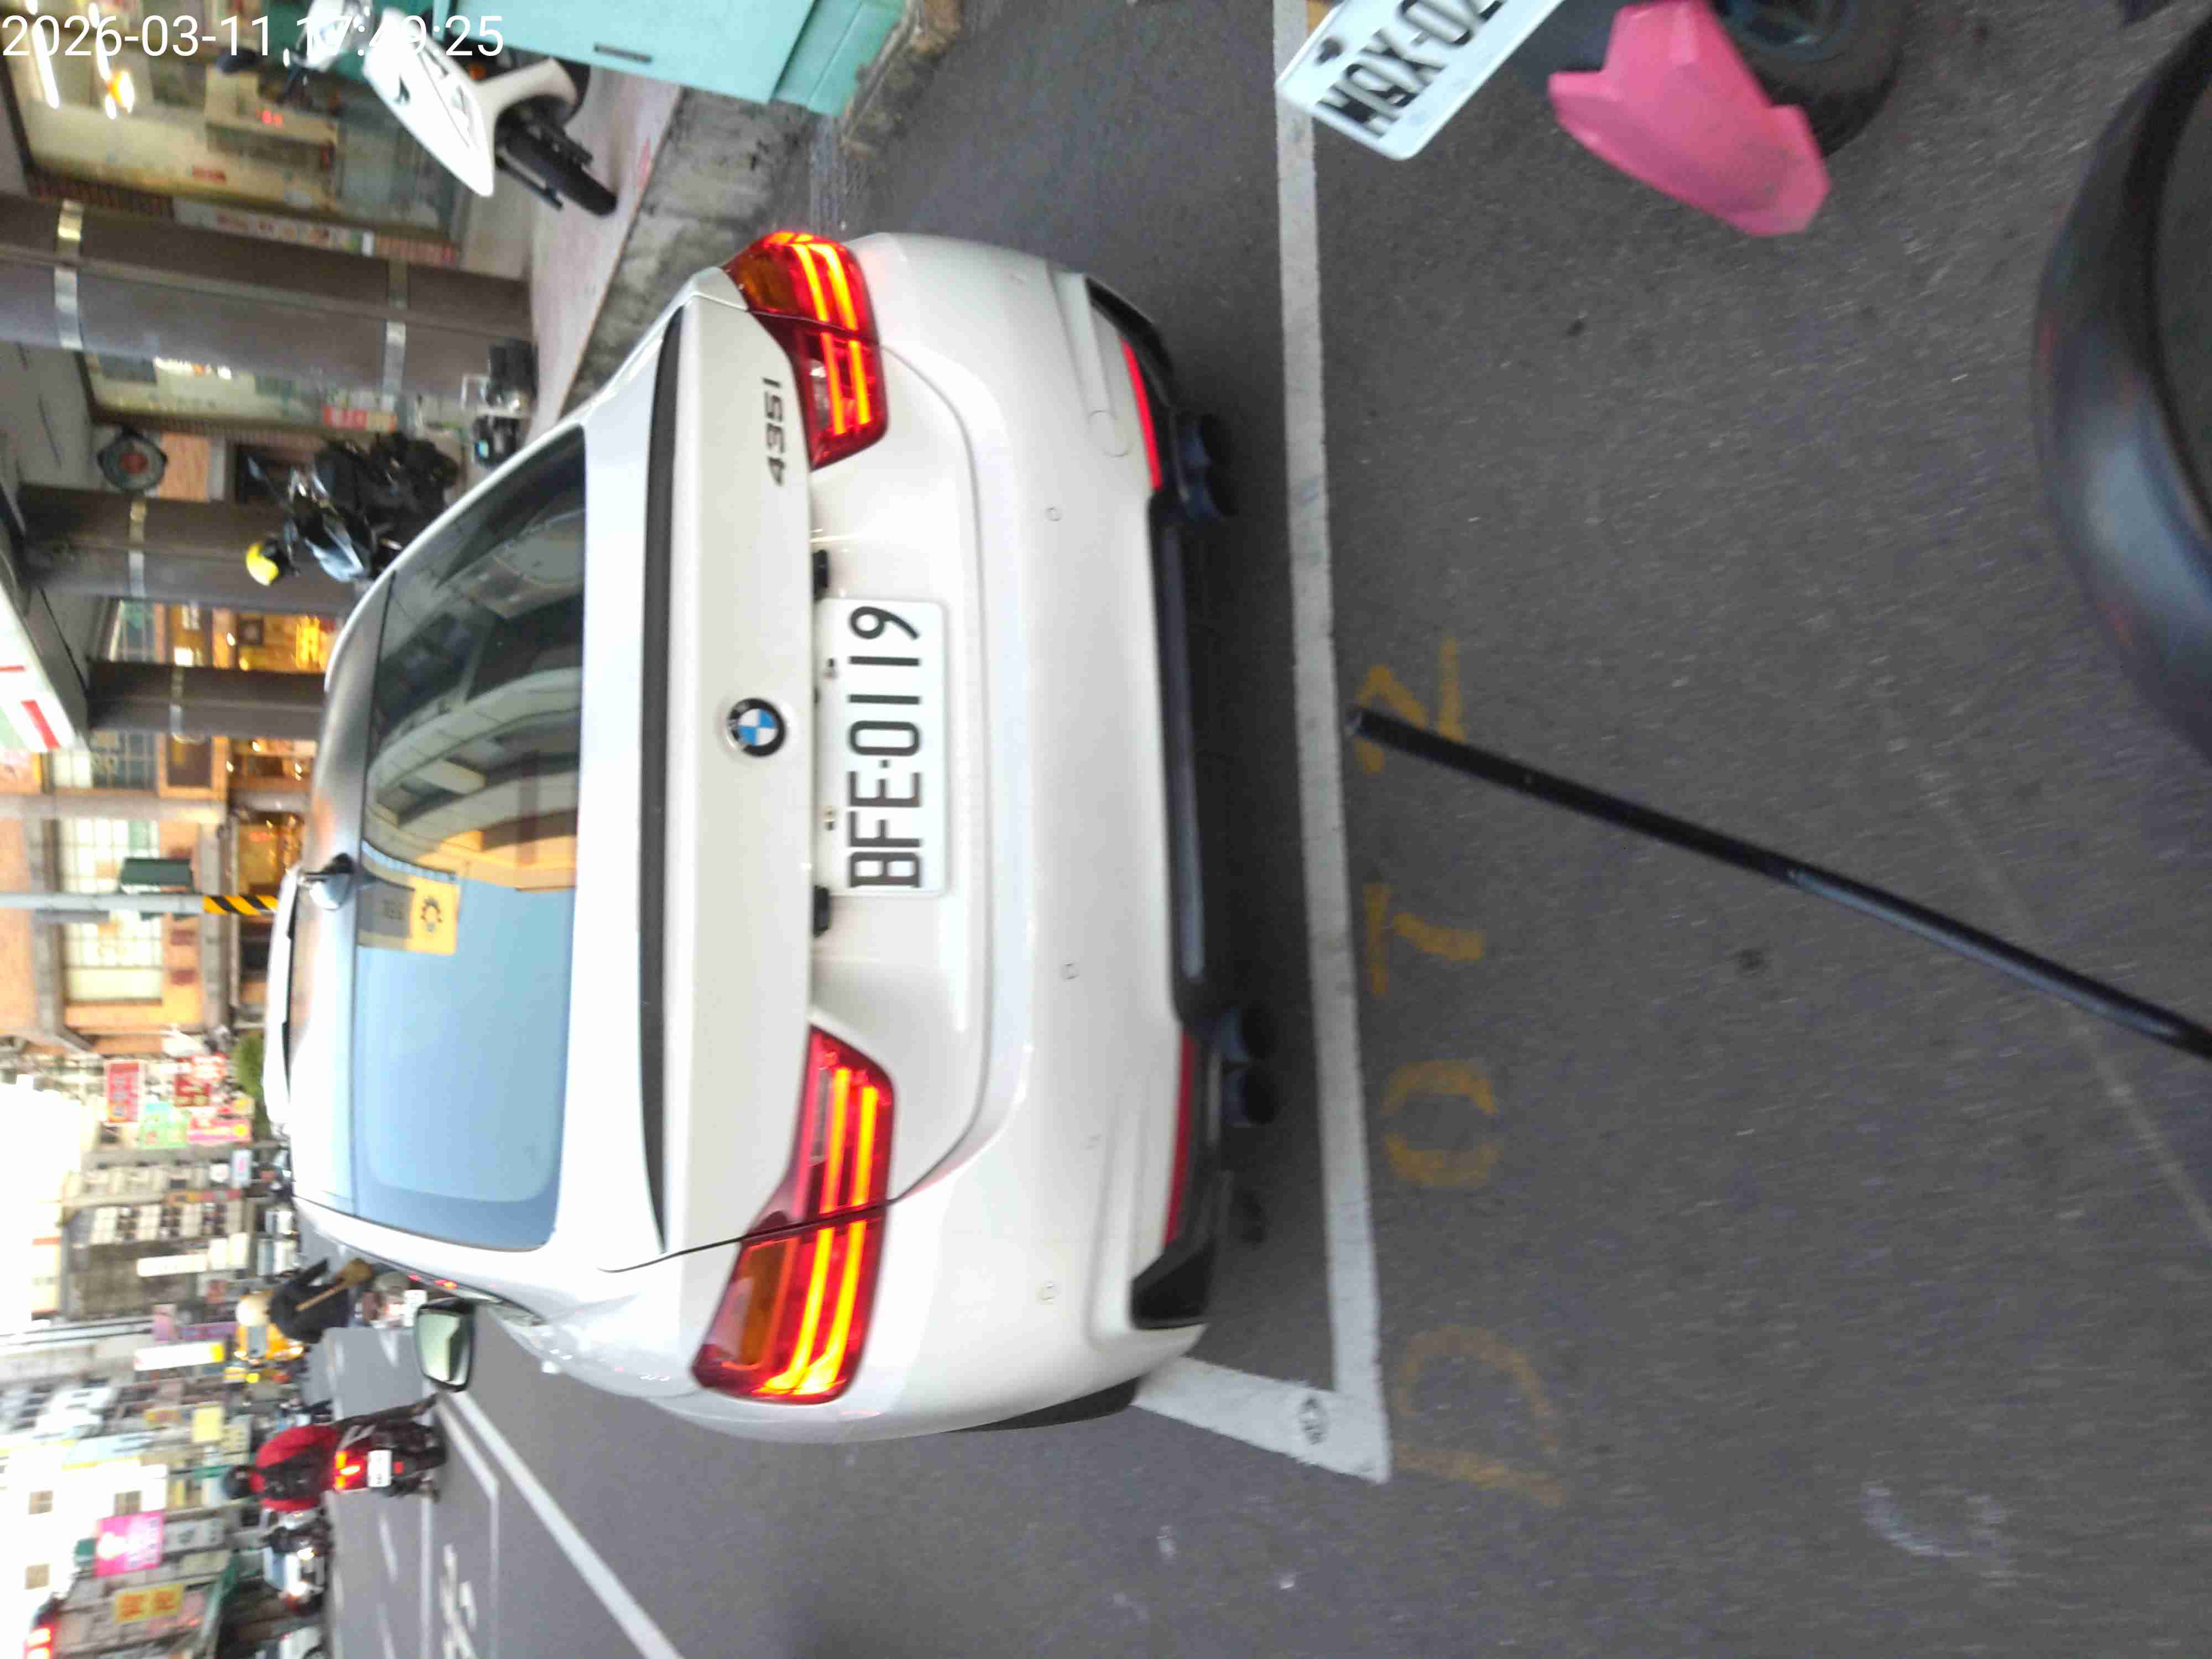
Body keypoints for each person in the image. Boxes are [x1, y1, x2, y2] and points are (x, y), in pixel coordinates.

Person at [223, 1397, 437, 1512]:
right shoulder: (265, 1455)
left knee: (371, 1484)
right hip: (334, 1446)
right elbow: (304, 1435)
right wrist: (330, 1431)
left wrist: (322, 1484)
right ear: (242, 1471)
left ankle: (420, 1488)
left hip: (336, 1481)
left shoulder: (270, 1502)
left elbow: (310, 1504)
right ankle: (413, 1410)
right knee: (366, 1421)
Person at [255, 1256, 377, 1347]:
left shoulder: (287, 1331)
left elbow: (316, 1339)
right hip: (347, 1292)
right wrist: (324, 1264)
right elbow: (311, 1273)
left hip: (348, 1319)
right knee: (375, 1270)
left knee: (377, 1320)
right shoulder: (284, 1292)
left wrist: (318, 1322)